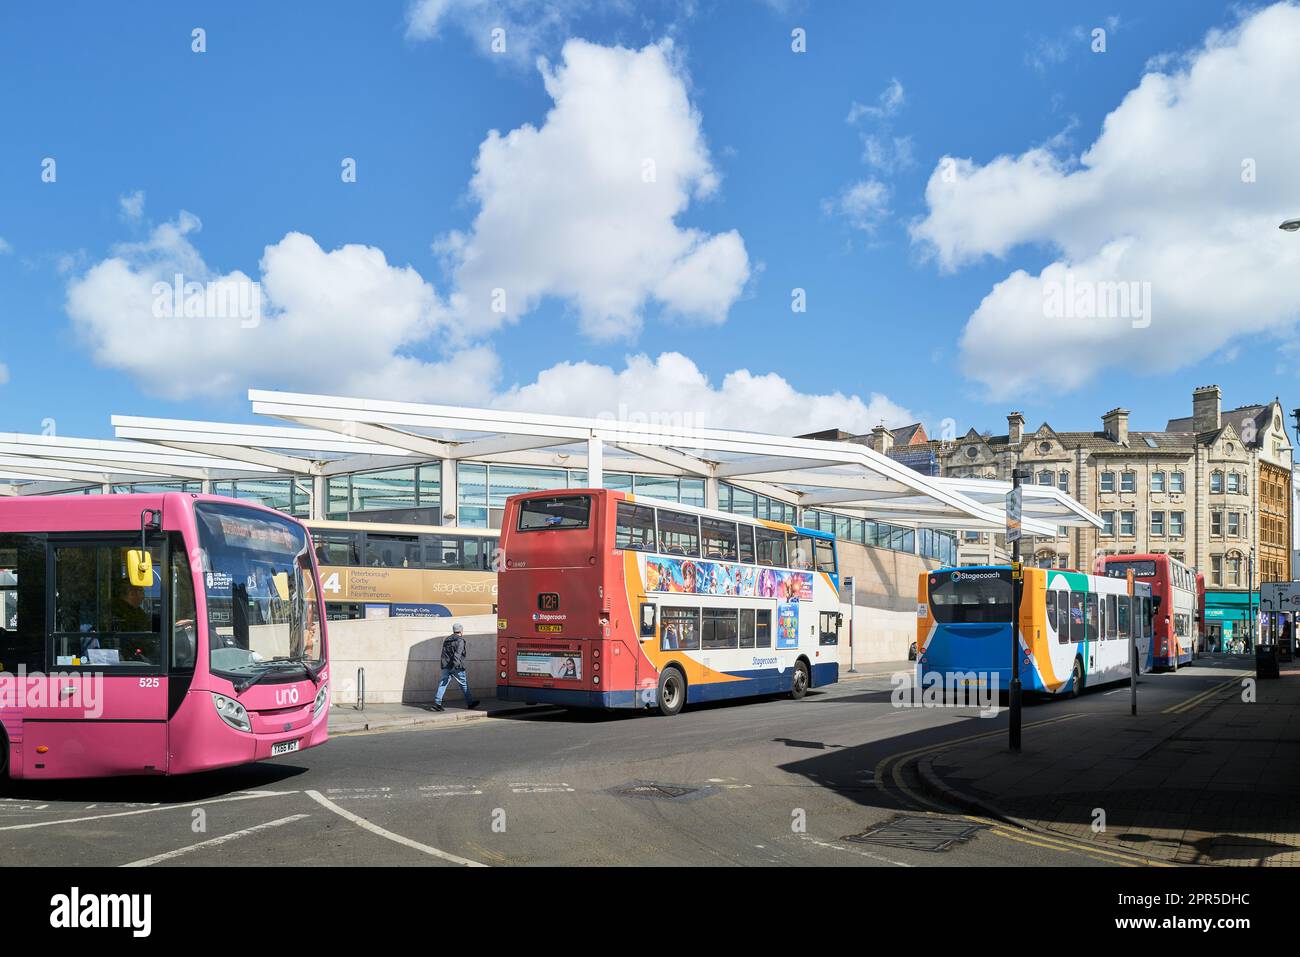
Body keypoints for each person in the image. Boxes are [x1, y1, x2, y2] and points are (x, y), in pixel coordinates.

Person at [431, 623, 478, 712]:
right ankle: (470, 703)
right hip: (456, 667)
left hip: (446, 666)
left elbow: (444, 655)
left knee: (443, 684)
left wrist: (444, 665)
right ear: (461, 631)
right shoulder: (460, 640)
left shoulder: (447, 640)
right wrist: (455, 666)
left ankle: (437, 703)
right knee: (463, 684)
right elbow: (458, 654)